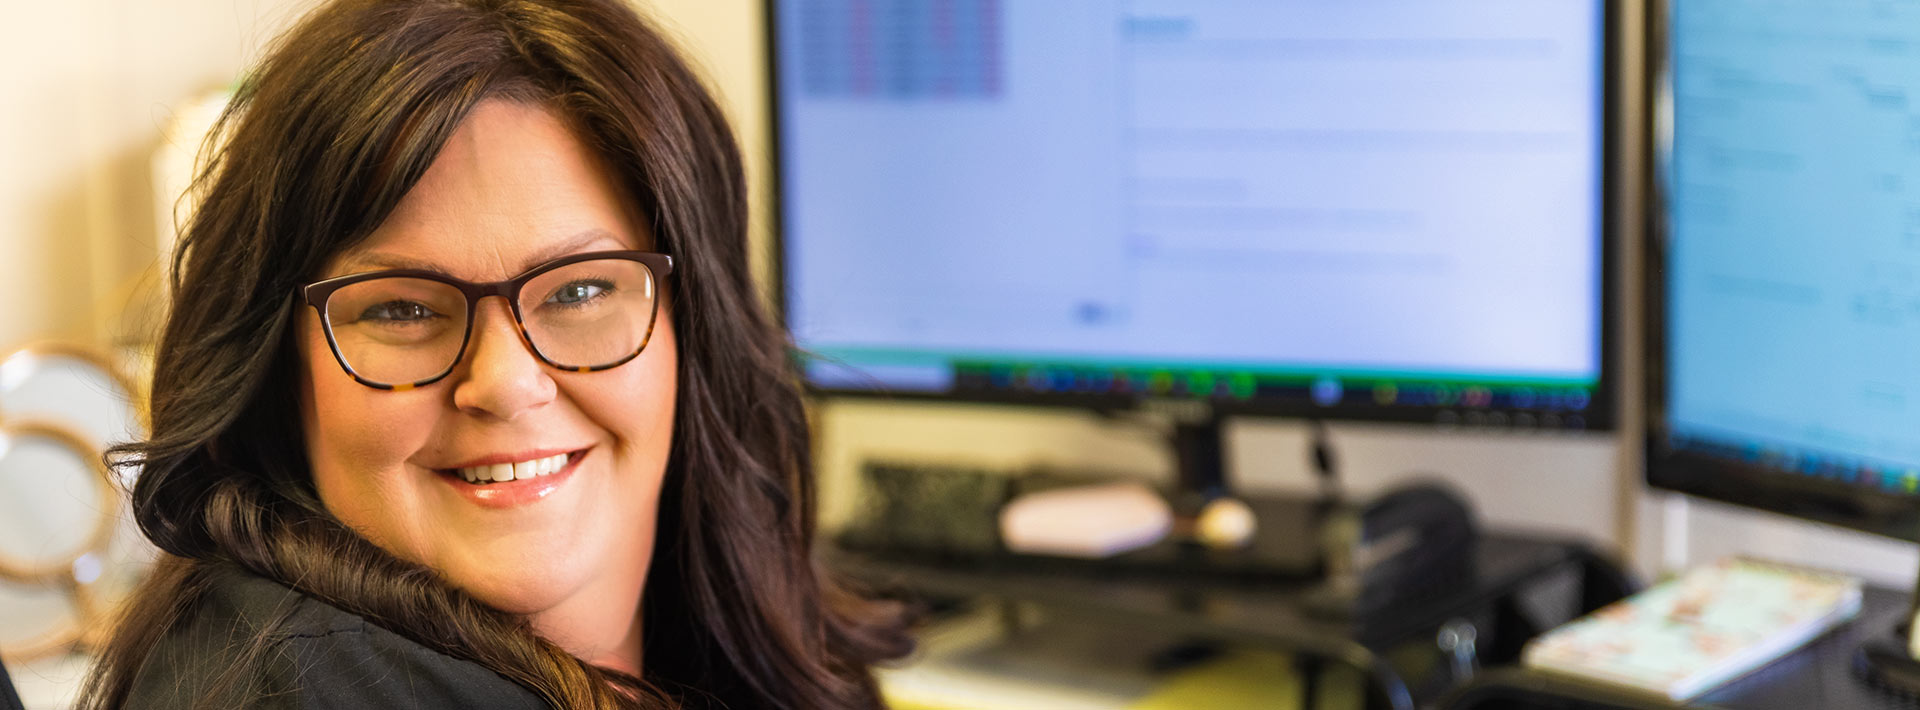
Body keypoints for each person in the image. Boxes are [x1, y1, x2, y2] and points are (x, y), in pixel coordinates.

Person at [76, 0, 909, 707]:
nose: (507, 384)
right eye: (403, 309)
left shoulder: (740, 638)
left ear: (697, 333)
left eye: (581, 291)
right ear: (276, 370)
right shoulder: (299, 685)